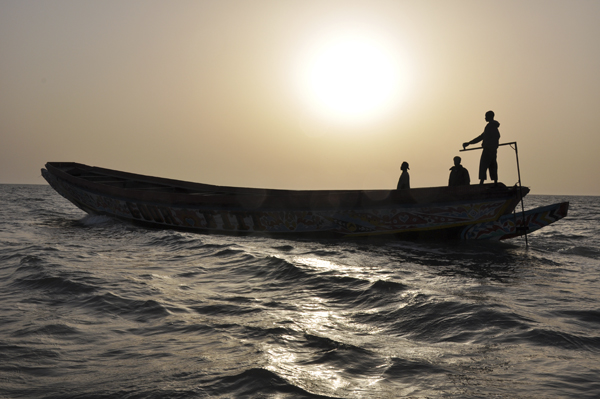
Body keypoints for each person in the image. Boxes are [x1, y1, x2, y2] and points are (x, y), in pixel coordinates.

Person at [463, 110, 500, 185]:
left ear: (490, 116)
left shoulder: (491, 126)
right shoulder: (490, 126)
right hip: (491, 149)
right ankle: (492, 182)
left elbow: (497, 136)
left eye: (486, 116)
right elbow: (481, 137)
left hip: (489, 150)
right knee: (491, 166)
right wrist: (469, 143)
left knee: (484, 166)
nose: (485, 118)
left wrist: (489, 144)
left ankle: (483, 183)